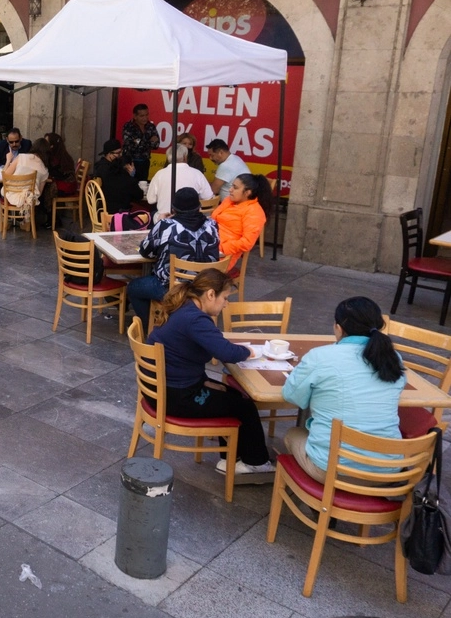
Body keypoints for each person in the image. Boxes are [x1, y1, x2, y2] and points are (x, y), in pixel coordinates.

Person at [148, 268, 274, 475]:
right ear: (210, 294)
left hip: (164, 389)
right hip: (177, 396)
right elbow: (226, 352)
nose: (226, 304)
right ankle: (256, 462)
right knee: (245, 407)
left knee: (234, 396)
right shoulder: (195, 319)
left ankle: (233, 458)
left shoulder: (183, 306)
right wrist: (250, 351)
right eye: (224, 298)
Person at [282, 297, 405, 483]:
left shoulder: (320, 356)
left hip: (335, 472)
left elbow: (292, 396)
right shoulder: (392, 357)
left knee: (293, 434)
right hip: (387, 471)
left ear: (338, 328)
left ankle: (320, 503)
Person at [127, 188, 220, 329]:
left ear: (174, 208)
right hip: (205, 288)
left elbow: (146, 252)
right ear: (199, 207)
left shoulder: (166, 226)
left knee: (134, 287)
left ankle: (151, 327)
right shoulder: (212, 225)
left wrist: (161, 224)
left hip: (171, 289)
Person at [212, 173, 272, 271]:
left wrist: (222, 248)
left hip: (223, 255)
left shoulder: (254, 212)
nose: (230, 190)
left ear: (247, 192)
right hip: (209, 244)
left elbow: (247, 243)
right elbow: (214, 219)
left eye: (235, 188)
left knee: (187, 262)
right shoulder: (229, 200)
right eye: (232, 186)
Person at [146, 144, 214, 217]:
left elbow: (150, 200)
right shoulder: (197, 174)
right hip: (192, 221)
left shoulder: (159, 174)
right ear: (185, 157)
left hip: (165, 219)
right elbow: (208, 196)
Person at [2, 136, 51, 228]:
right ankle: (26, 222)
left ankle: (7, 219)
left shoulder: (21, 157)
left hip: (11, 193)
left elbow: (5, 175)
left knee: (1, 191)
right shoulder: (45, 170)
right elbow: (39, 193)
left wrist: (8, 160)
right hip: (28, 199)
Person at [100, 147, 145, 214]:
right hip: (121, 216)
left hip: (103, 213)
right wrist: (132, 177)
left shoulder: (107, 176)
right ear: (128, 166)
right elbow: (139, 196)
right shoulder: (129, 181)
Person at [122, 103, 159, 182]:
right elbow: (131, 146)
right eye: (142, 116)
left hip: (145, 162)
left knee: (143, 185)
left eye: (146, 115)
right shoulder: (128, 126)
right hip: (130, 162)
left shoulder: (151, 126)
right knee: (130, 184)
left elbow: (156, 145)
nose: (145, 118)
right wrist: (149, 141)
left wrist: (139, 141)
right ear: (135, 116)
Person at [43, 132, 77, 196]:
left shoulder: (56, 159)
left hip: (66, 187)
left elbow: (55, 174)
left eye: (46, 143)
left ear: (52, 146)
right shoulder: (62, 155)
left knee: (43, 190)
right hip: (68, 185)